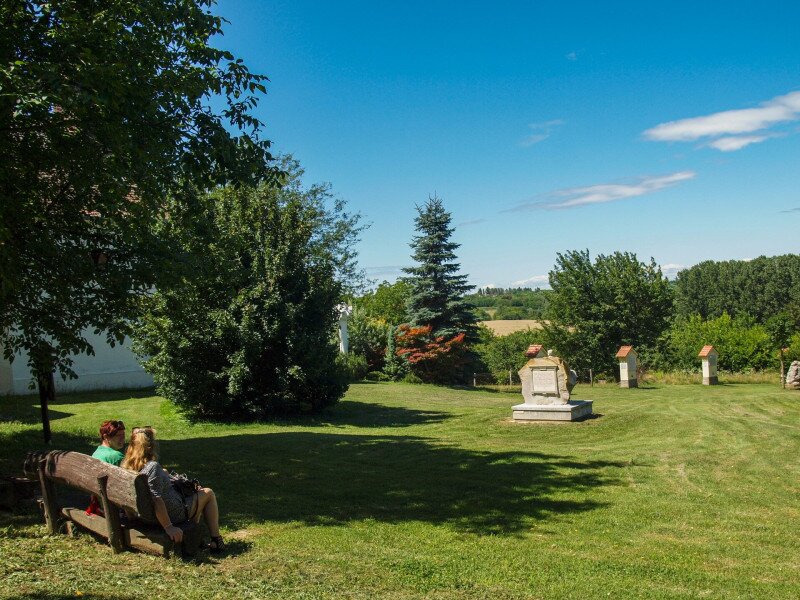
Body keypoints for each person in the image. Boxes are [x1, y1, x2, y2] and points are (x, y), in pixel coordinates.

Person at [121, 426, 224, 552]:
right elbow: (156, 499)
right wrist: (169, 527)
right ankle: (216, 540)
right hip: (169, 515)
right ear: (150, 445)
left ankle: (196, 537)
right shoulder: (152, 467)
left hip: (142, 515)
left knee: (193, 495)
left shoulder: (126, 465)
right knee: (208, 493)